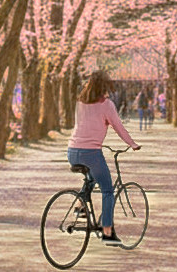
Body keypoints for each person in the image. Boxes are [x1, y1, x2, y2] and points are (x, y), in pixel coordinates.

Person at [68, 70, 139, 247]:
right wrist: (132, 144)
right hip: (91, 153)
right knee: (107, 190)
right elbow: (118, 127)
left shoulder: (80, 103)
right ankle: (108, 232)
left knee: (91, 177)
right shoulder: (106, 105)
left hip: (72, 151)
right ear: (105, 86)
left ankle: (80, 205)